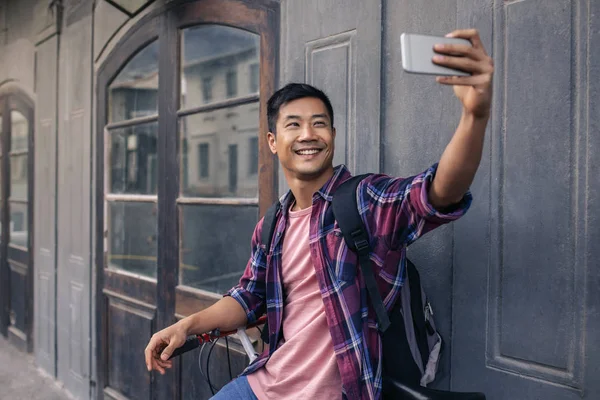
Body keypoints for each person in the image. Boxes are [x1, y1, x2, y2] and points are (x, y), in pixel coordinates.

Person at [144, 28, 494, 400]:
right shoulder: (272, 225)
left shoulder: (362, 201)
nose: (308, 133)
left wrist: (474, 115)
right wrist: (188, 326)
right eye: (293, 124)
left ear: (333, 135)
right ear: (273, 142)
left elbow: (437, 193)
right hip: (265, 383)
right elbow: (248, 297)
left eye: (320, 122)